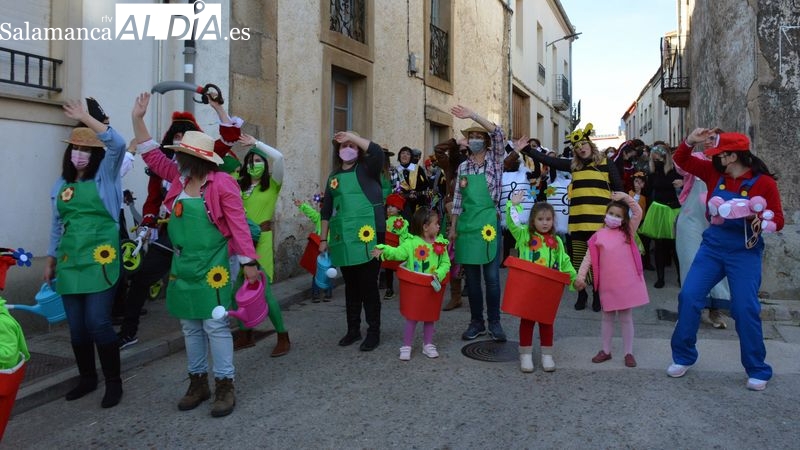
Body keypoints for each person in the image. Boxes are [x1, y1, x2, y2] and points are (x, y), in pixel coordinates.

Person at [133, 92, 260, 417]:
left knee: (215, 326)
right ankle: (197, 382)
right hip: (184, 263)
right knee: (189, 326)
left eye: (181, 155)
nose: (174, 159)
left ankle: (225, 385)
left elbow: (239, 226)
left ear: (195, 159)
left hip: (216, 264)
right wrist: (138, 119)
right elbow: (149, 154)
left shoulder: (222, 184)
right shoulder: (179, 179)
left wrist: (248, 263)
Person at [117, 96, 243, 350]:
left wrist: (218, 107)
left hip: (208, 247)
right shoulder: (170, 171)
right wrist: (137, 118)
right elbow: (150, 159)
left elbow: (229, 136)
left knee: (213, 308)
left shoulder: (218, 178)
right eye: (176, 139)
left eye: (185, 138)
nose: (180, 143)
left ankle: (219, 343)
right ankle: (129, 331)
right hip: (173, 239)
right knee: (144, 279)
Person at [668, 129, 784, 391]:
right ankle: (683, 356)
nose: (713, 158)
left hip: (744, 251)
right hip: (713, 247)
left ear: (731, 156)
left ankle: (757, 368)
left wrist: (760, 220)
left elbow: (778, 219)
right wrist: (690, 141)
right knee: (689, 297)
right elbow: (683, 161)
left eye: (717, 154)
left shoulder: (764, 183)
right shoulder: (713, 174)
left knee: (744, 308)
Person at [45, 100, 127, 408]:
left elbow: (117, 143)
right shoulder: (61, 184)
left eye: (87, 150)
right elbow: (56, 224)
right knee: (77, 328)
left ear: (96, 156)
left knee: (98, 323)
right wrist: (50, 260)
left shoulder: (107, 177)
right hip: (69, 263)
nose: (80, 155)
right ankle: (87, 378)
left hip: (100, 262)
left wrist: (84, 118)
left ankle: (114, 382)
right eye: (76, 149)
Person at [520, 124, 623, 312]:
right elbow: (548, 161)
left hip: (600, 225)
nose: (580, 148)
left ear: (591, 145)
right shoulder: (573, 165)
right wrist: (527, 149)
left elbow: (619, 189)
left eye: (583, 144)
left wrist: (619, 219)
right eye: (577, 147)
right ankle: (581, 294)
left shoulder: (606, 163)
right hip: (577, 223)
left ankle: (597, 295)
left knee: (598, 262)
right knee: (577, 261)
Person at [319, 131, 385, 351]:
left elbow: (376, 152)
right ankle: (353, 330)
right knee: (351, 287)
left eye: (352, 146)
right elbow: (326, 210)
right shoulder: (333, 177)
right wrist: (323, 238)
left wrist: (353, 136)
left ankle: (373, 331)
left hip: (370, 235)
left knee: (369, 286)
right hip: (344, 238)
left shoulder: (368, 168)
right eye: (344, 145)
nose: (348, 148)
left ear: (359, 149)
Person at [449, 105, 507, 342]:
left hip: (489, 225)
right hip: (467, 227)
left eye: (478, 136)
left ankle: (494, 322)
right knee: (472, 280)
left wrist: (474, 115)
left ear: (485, 140)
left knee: (492, 278)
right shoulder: (463, 167)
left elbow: (499, 134)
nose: (474, 140)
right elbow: (457, 200)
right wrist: (452, 227)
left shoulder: (495, 161)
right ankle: (476, 322)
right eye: (471, 136)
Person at [576, 192, 649, 368]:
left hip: (626, 283)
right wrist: (580, 276)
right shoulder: (598, 235)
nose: (613, 218)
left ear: (624, 220)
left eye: (618, 216)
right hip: (607, 285)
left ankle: (628, 352)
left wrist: (625, 197)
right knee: (607, 317)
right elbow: (588, 258)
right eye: (611, 214)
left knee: (626, 317)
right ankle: (606, 350)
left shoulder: (629, 232)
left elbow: (638, 211)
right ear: (605, 215)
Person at [505, 192, 576, 372]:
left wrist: (575, 278)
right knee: (527, 322)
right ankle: (526, 355)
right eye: (540, 219)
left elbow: (565, 261)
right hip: (528, 288)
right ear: (532, 221)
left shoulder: (557, 241)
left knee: (547, 322)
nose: (545, 223)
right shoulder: (524, 237)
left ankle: (547, 355)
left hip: (548, 290)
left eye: (548, 219)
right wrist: (512, 206)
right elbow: (513, 224)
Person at [233, 134, 290, 356]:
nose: (253, 164)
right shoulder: (239, 187)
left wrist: (257, 144)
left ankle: (283, 335)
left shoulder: (273, 185)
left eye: (258, 161)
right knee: (236, 292)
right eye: (250, 161)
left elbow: (281, 158)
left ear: (264, 165)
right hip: (241, 242)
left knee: (264, 291)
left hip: (262, 241)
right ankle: (245, 334)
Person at [372, 208, 451, 360]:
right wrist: (384, 249)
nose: (438, 226)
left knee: (430, 317)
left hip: (431, 286)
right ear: (425, 226)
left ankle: (427, 344)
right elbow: (398, 253)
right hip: (415, 287)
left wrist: (439, 273)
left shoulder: (441, 244)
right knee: (412, 316)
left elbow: (446, 262)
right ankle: (406, 345)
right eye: (436, 223)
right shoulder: (411, 243)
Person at [673, 132, 730, 329]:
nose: (708, 140)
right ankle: (691, 312)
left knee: (717, 265)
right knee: (689, 262)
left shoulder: (727, 164)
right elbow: (679, 165)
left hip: (717, 221)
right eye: (706, 137)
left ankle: (716, 311)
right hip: (691, 218)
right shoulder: (696, 159)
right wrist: (689, 142)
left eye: (713, 137)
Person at [638, 143, 682, 288]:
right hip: (658, 209)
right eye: (654, 155)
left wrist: (682, 183)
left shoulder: (674, 170)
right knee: (659, 245)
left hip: (673, 209)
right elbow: (648, 190)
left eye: (659, 155)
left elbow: (686, 183)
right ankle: (660, 278)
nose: (656, 158)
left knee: (675, 246)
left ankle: (681, 277)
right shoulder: (652, 172)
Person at [434, 138, 467, 311]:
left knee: (468, 255)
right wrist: (454, 142)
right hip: (451, 216)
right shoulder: (449, 167)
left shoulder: (474, 165)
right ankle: (455, 296)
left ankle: (469, 288)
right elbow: (438, 149)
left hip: (469, 216)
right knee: (452, 256)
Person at [294, 194, 333, 302]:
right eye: (322, 206)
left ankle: (327, 292)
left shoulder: (335, 219)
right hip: (318, 247)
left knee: (329, 271)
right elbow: (310, 212)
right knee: (316, 271)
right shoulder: (319, 217)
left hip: (330, 249)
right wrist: (302, 205)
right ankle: (315, 294)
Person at [382, 193, 409, 299]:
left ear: (399, 209)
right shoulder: (385, 221)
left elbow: (403, 236)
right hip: (388, 248)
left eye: (393, 206)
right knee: (388, 269)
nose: (389, 209)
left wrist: (403, 250)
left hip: (398, 248)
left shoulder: (402, 222)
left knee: (401, 269)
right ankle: (389, 289)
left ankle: (406, 287)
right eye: (388, 206)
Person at [394, 146, 431, 217]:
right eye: (403, 153)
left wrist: (416, 193)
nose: (405, 155)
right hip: (402, 204)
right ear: (399, 156)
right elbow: (395, 187)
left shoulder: (417, 169)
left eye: (408, 154)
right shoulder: (396, 170)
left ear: (411, 157)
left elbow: (426, 184)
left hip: (418, 203)